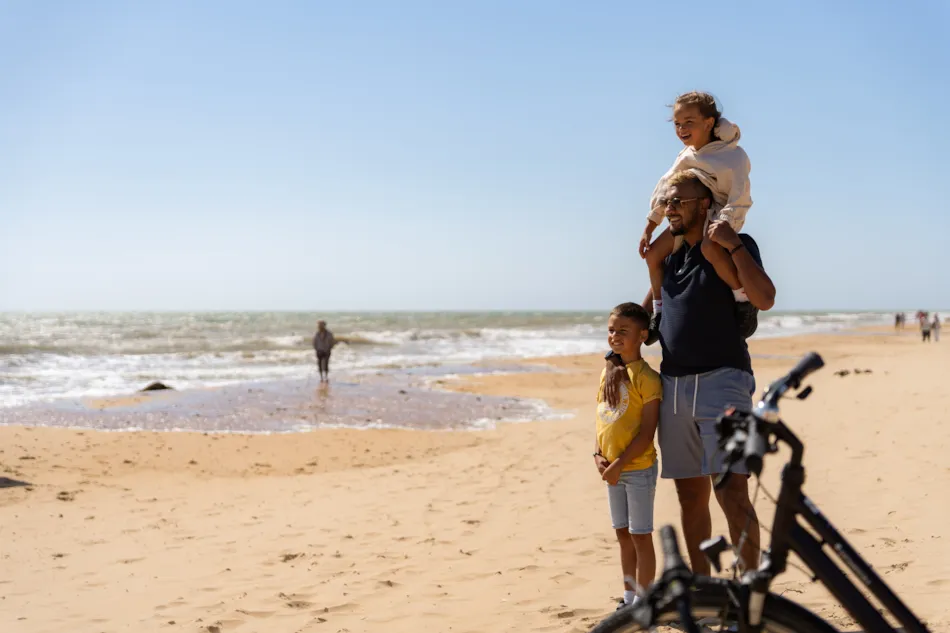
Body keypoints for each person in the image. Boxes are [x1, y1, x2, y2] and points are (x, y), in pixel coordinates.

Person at [606, 170, 776, 575]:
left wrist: (732, 245)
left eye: (679, 201)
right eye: (667, 202)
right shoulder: (671, 259)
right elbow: (643, 323)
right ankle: (704, 593)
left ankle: (751, 592)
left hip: (726, 381)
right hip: (674, 387)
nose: (670, 209)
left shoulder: (734, 242)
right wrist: (614, 360)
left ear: (704, 203)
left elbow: (765, 298)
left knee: (733, 492)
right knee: (690, 496)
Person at [640, 92, 757, 340]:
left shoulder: (734, 156)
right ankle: (659, 312)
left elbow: (740, 198)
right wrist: (650, 225)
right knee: (652, 255)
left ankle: (741, 298)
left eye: (689, 122)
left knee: (710, 249)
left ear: (709, 123)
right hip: (686, 216)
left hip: (720, 218)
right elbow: (665, 187)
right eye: (677, 123)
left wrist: (723, 227)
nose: (681, 128)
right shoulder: (686, 155)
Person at [593, 303, 661, 609]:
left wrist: (619, 465)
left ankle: (645, 603)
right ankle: (629, 598)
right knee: (622, 535)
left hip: (637, 469)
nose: (615, 336)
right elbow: (602, 418)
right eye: (611, 330)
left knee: (640, 536)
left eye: (623, 331)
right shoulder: (608, 372)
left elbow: (647, 433)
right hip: (611, 472)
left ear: (642, 335)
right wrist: (598, 454)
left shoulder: (647, 378)